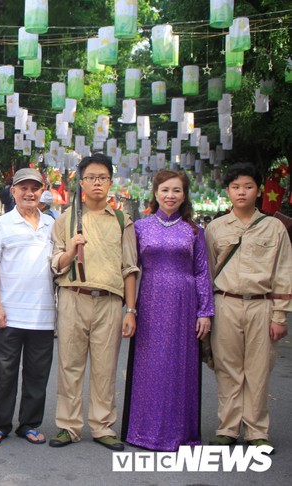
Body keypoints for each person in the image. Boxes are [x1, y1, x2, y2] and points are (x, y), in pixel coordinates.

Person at [49, 153, 138, 452]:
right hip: (74, 296)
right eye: (91, 178)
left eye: (102, 177)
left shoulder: (123, 220)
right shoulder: (66, 219)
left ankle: (102, 426)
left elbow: (130, 267)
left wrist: (131, 309)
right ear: (81, 182)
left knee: (105, 366)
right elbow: (55, 264)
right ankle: (69, 426)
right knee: (70, 365)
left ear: (111, 182)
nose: (97, 183)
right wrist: (71, 251)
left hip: (111, 302)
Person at [121, 169, 214, 451]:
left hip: (185, 305)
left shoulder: (195, 231)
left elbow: (201, 272)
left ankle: (180, 433)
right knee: (150, 367)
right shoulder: (139, 227)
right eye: (165, 190)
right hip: (149, 303)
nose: (170, 196)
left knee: (180, 367)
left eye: (176, 190)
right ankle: (143, 431)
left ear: (184, 195)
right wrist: (130, 309)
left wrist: (205, 311)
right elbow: (130, 270)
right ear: (155, 193)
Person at [205, 163, 291, 452]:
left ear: (259, 190)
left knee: (258, 369)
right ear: (228, 191)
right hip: (225, 303)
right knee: (227, 369)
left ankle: (256, 431)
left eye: (248, 186)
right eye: (235, 187)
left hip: (262, 306)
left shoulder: (274, 227)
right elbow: (206, 271)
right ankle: (227, 428)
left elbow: (284, 271)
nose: (241, 192)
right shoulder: (215, 228)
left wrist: (280, 316)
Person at [0, 168, 55, 446]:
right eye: (23, 188)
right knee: (4, 373)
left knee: (38, 374)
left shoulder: (52, 224)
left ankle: (30, 424)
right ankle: (0, 424)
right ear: (13, 192)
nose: (29, 193)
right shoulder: (1, 225)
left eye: (34, 188)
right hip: (10, 313)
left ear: (42, 192)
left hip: (44, 315)